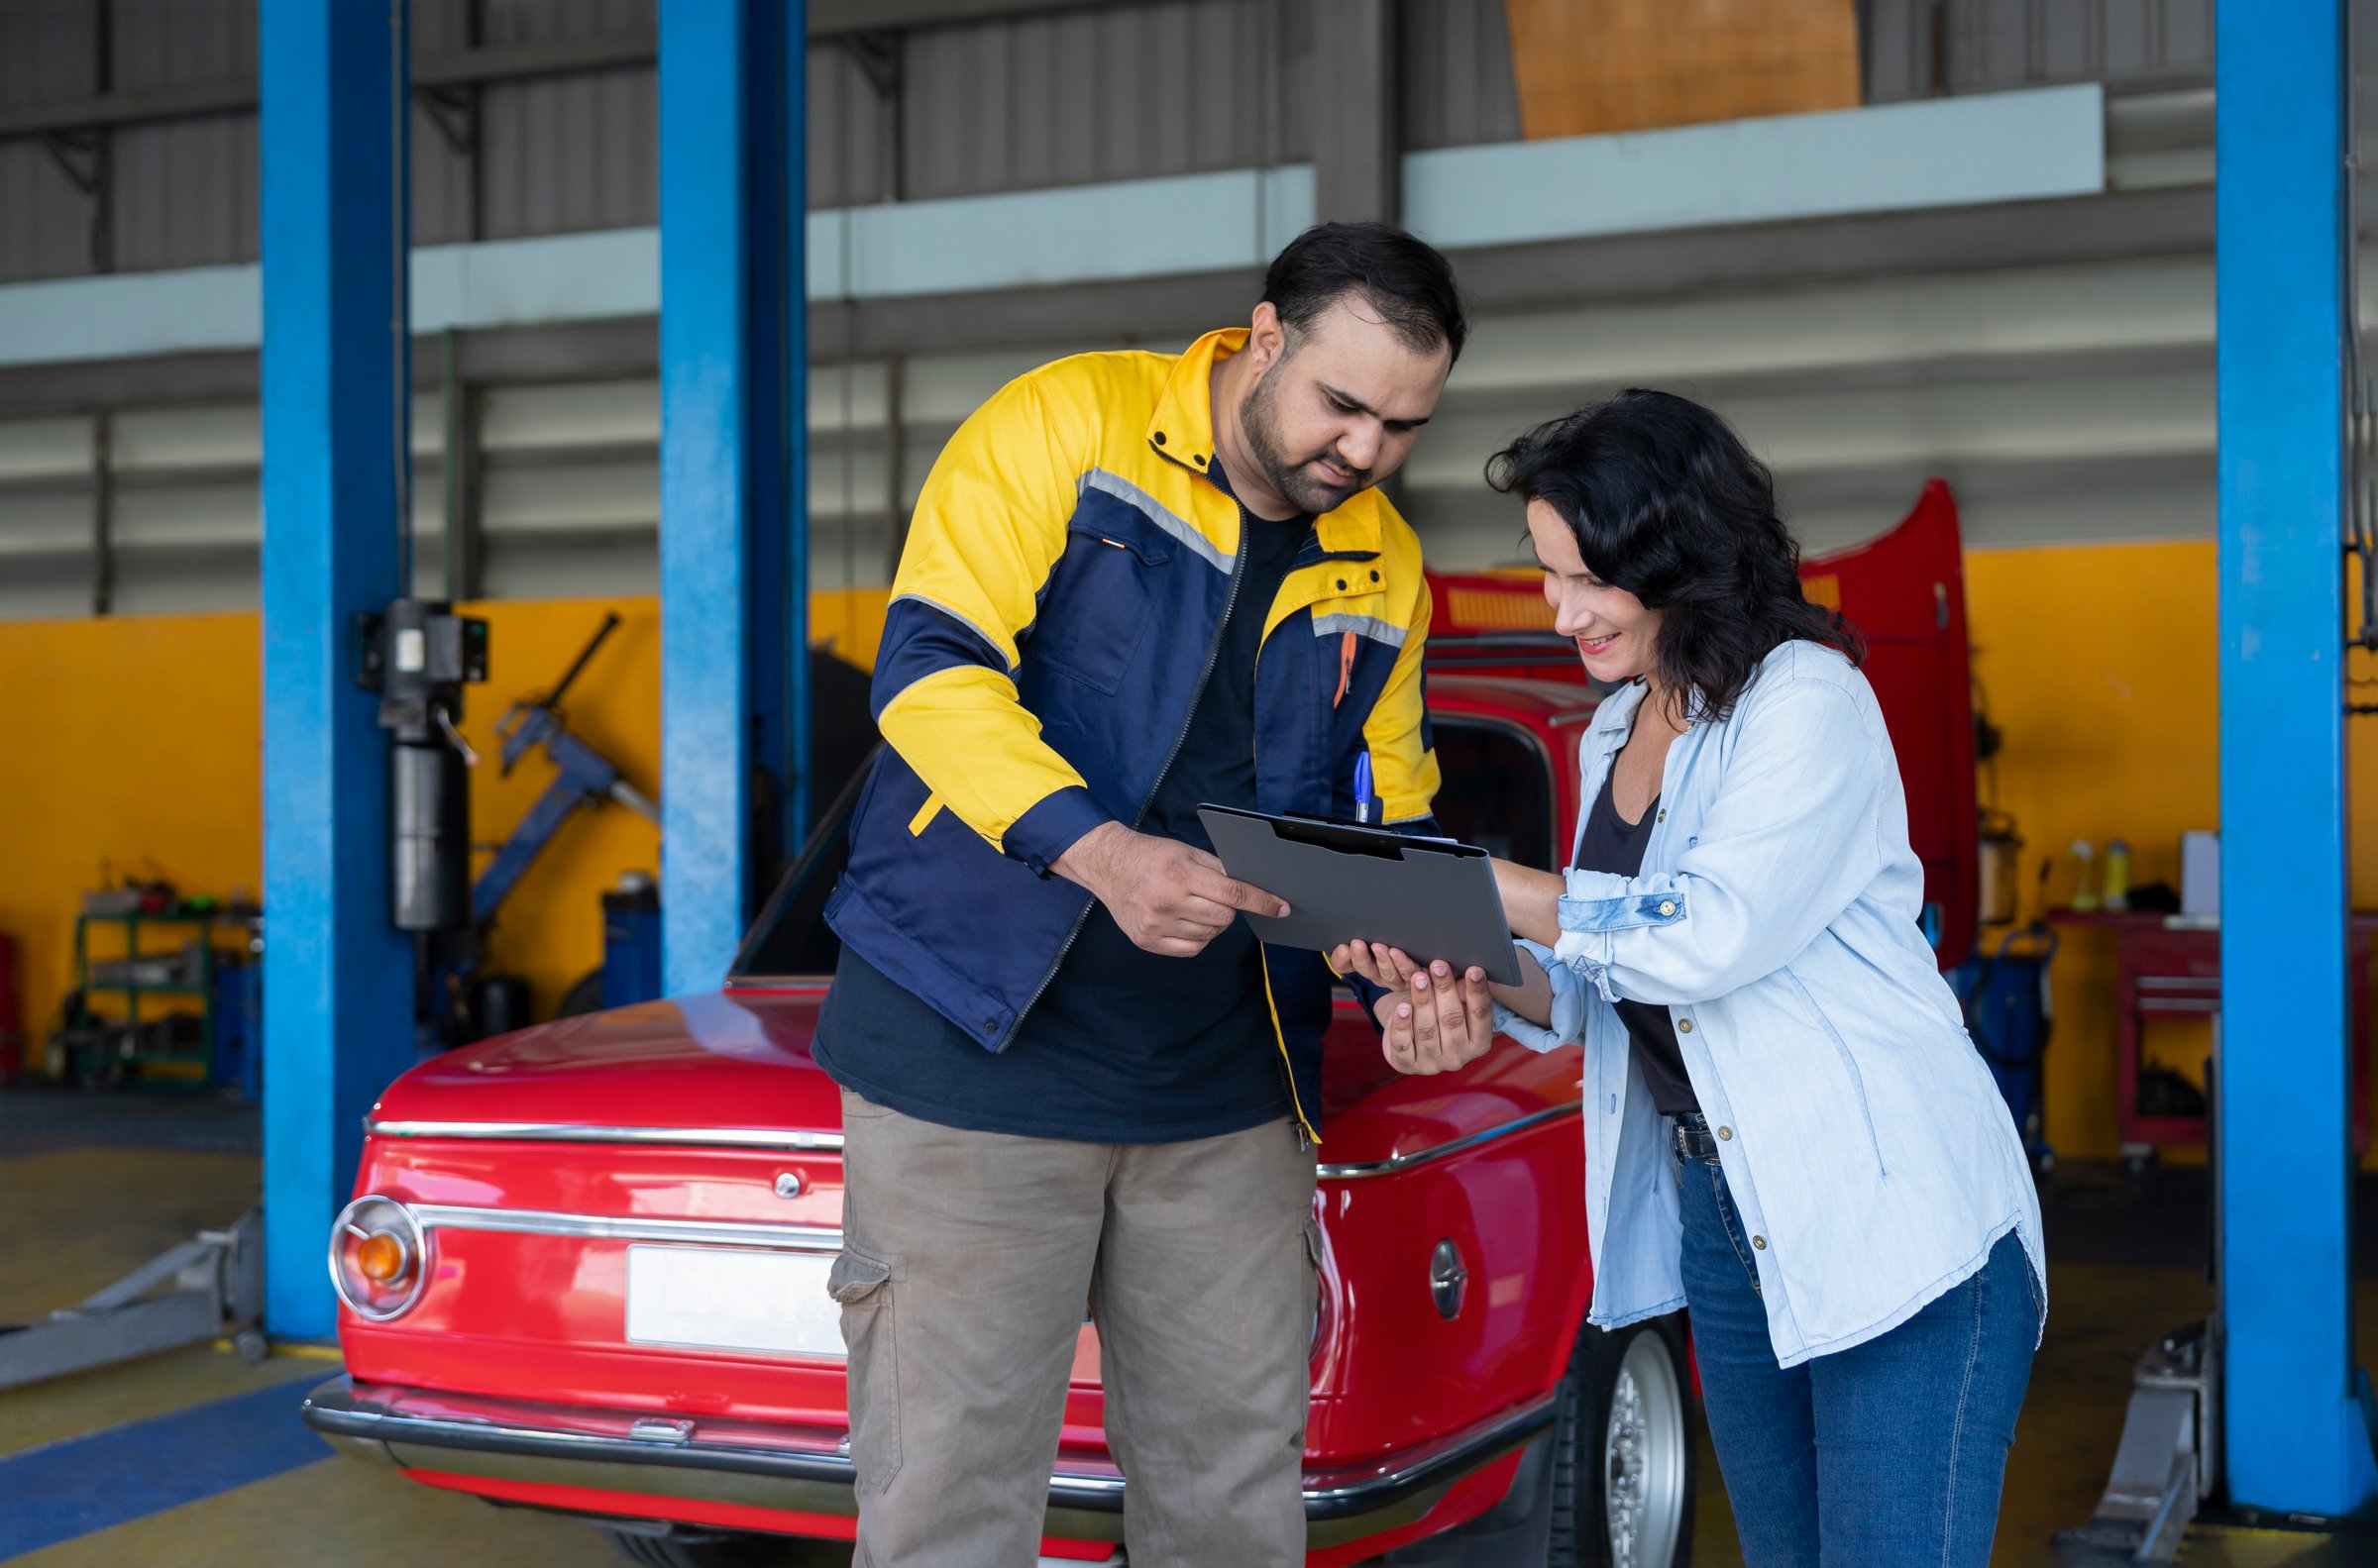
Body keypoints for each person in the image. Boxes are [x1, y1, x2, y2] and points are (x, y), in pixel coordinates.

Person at [812, 222, 1463, 1567]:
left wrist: (1413, 977)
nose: (1365, 451)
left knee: (1233, 1501)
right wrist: (1102, 853)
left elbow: (1379, 819)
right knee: (951, 1512)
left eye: (1402, 425)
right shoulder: (1066, 423)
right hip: (971, 1061)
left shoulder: (1385, 561)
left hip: (1226, 1096)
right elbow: (930, 673)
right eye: (1343, 404)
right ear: (1263, 335)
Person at [1336, 389, 2045, 1567]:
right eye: (1550, 573)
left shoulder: (1806, 700)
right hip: (1727, 1216)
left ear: (1674, 553)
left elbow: (1700, 935)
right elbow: (1586, 985)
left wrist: (1476, 876)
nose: (1559, 609)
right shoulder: (1620, 730)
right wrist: (1434, 934)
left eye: (1584, 578)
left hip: (1891, 1209)